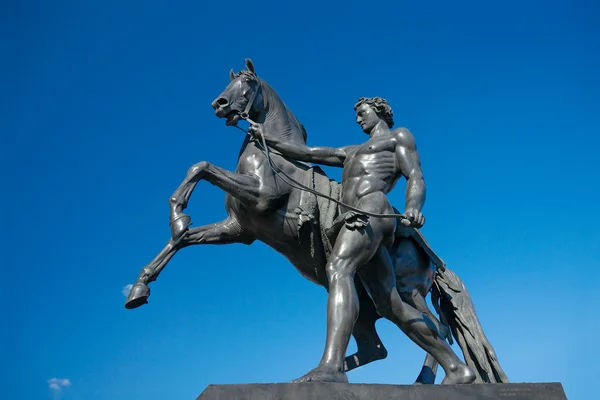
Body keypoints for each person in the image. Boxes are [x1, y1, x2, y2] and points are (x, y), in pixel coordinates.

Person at [248, 97, 474, 384]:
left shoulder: (398, 137)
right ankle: (455, 367)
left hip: (372, 209)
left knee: (338, 269)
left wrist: (414, 206)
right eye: (356, 115)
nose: (358, 119)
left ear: (379, 112)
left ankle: (331, 366)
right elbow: (307, 152)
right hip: (354, 217)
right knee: (389, 306)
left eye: (362, 112)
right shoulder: (351, 151)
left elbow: (415, 175)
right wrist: (264, 136)